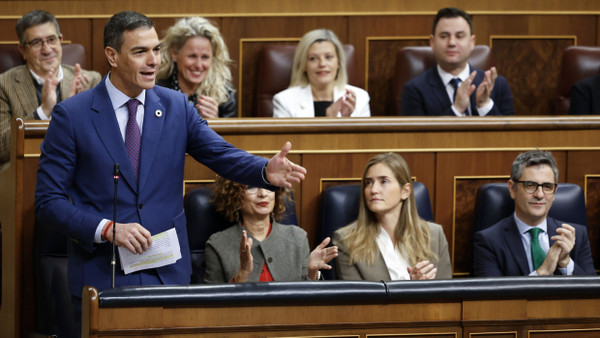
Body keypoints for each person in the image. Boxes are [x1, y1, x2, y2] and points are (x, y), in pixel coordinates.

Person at [34, 11, 306, 332]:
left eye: (157, 49)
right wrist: (107, 228)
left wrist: (263, 170)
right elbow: (48, 202)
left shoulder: (176, 105)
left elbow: (220, 153)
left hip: (168, 276)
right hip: (103, 275)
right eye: (140, 52)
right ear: (112, 55)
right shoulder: (73, 116)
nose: (153, 61)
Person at [0, 9, 101, 172]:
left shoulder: (90, 81)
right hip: (27, 173)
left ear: (60, 40)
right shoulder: (4, 86)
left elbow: (103, 143)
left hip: (79, 173)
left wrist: (78, 108)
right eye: (36, 43)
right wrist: (44, 111)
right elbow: (1, 148)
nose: (47, 50)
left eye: (51, 40)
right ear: (22, 50)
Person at [473, 150, 596, 277]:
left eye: (547, 186)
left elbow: (593, 293)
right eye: (530, 185)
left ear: (554, 192)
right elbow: (491, 296)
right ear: (512, 188)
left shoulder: (575, 236)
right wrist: (542, 272)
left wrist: (566, 263)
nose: (539, 195)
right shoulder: (488, 241)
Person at [332, 153, 452, 281]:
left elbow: (448, 295)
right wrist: (412, 288)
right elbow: (357, 299)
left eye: (384, 181)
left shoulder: (434, 235)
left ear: (405, 191)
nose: (373, 190)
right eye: (368, 183)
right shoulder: (346, 241)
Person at [204, 175, 338, 283]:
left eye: (268, 186)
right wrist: (243, 273)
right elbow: (212, 306)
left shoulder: (297, 237)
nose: (263, 193)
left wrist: (311, 273)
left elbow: (308, 302)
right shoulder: (218, 244)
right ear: (235, 196)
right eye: (251, 187)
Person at [401, 7, 514, 116]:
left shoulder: (498, 85)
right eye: (444, 36)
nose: (452, 43)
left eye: (459, 36)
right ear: (432, 42)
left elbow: (511, 134)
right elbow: (416, 136)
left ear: (472, 42)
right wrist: (456, 109)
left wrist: (484, 105)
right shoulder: (414, 90)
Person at [272, 28, 370, 118]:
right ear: (304, 65)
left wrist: (345, 120)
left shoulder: (360, 98)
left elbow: (364, 138)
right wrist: (328, 120)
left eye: (328, 57)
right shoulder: (284, 101)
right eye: (313, 58)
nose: (322, 64)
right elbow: (286, 138)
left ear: (339, 63)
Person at [157, 16, 236, 118]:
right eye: (192, 56)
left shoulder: (225, 94)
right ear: (174, 53)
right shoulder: (156, 90)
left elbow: (231, 134)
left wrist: (216, 124)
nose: (199, 65)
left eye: (205, 57)